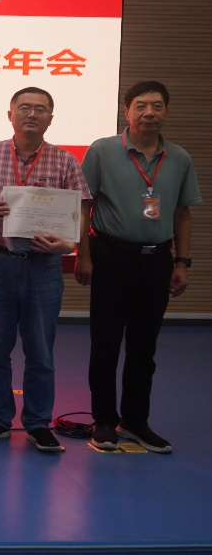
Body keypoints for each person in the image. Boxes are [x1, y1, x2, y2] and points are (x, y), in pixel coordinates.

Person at [77, 81, 200, 453]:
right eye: (141, 105)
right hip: (111, 256)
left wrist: (181, 262)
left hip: (157, 259)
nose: (149, 113)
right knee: (106, 343)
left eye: (157, 106)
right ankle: (104, 420)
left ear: (166, 111)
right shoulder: (101, 151)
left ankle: (135, 420)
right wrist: (83, 255)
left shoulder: (179, 157)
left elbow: (182, 213)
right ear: (126, 111)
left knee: (144, 347)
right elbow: (83, 207)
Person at [0, 86, 89, 453]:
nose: (31, 114)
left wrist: (68, 245)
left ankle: (37, 422)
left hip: (44, 266)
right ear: (10, 114)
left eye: (40, 109)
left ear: (51, 117)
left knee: (41, 352)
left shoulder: (65, 161)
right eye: (24, 108)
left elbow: (80, 210)